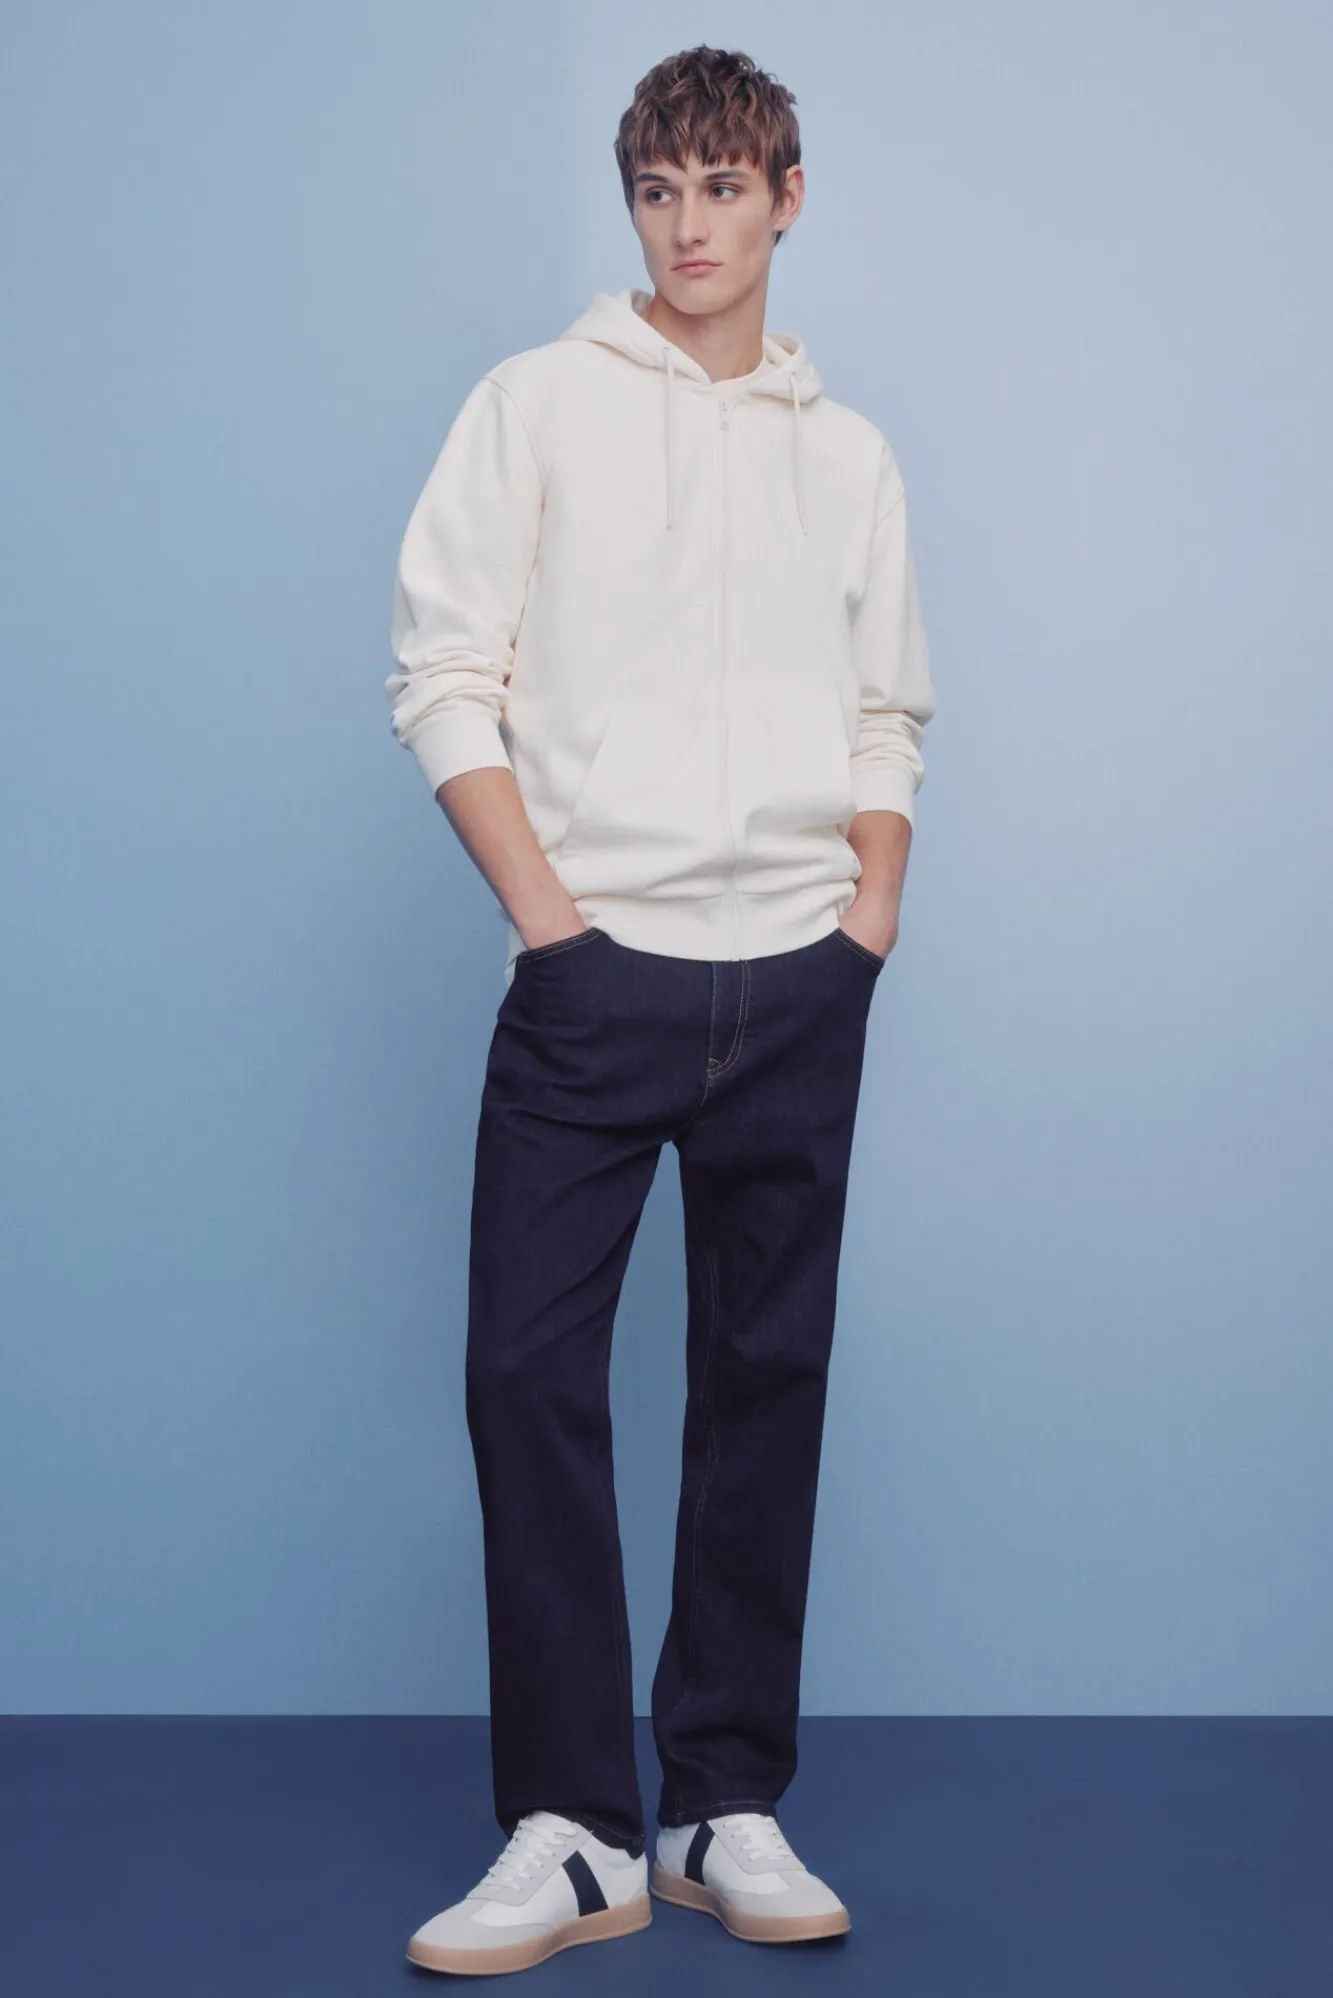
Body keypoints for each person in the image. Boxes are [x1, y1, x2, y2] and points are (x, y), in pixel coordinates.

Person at [386, 42, 936, 1978]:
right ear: (633, 204)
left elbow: (889, 707)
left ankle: (720, 1801)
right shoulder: (535, 406)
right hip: (594, 979)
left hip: (799, 978)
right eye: (658, 189)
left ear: (789, 196)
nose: (689, 226)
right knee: (525, 1377)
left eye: (724, 186)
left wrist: (868, 912)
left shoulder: (848, 458)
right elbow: (442, 671)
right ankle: (571, 1828)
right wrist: (553, 926)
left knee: (764, 1378)